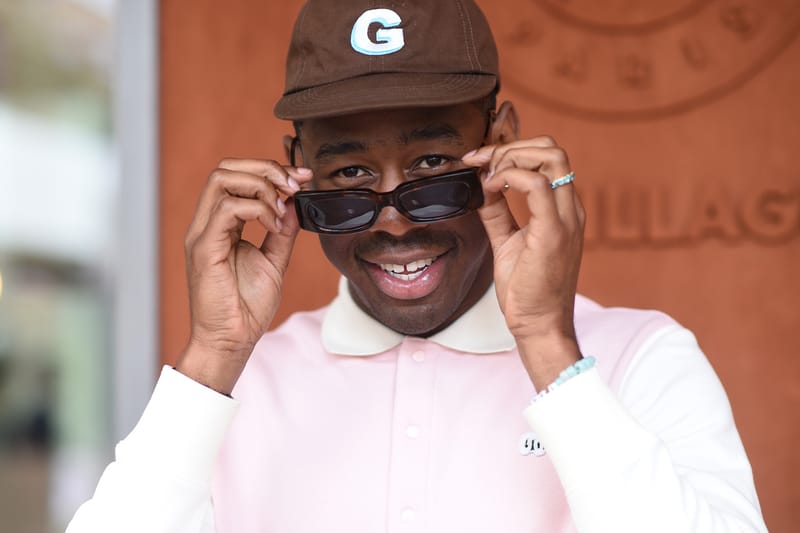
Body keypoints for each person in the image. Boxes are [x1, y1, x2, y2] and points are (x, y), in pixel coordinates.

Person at [66, 1, 767, 532]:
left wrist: (549, 348)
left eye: (432, 165)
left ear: (503, 143)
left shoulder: (642, 360)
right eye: (349, 174)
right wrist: (213, 356)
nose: (394, 221)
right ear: (295, 172)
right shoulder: (231, 389)